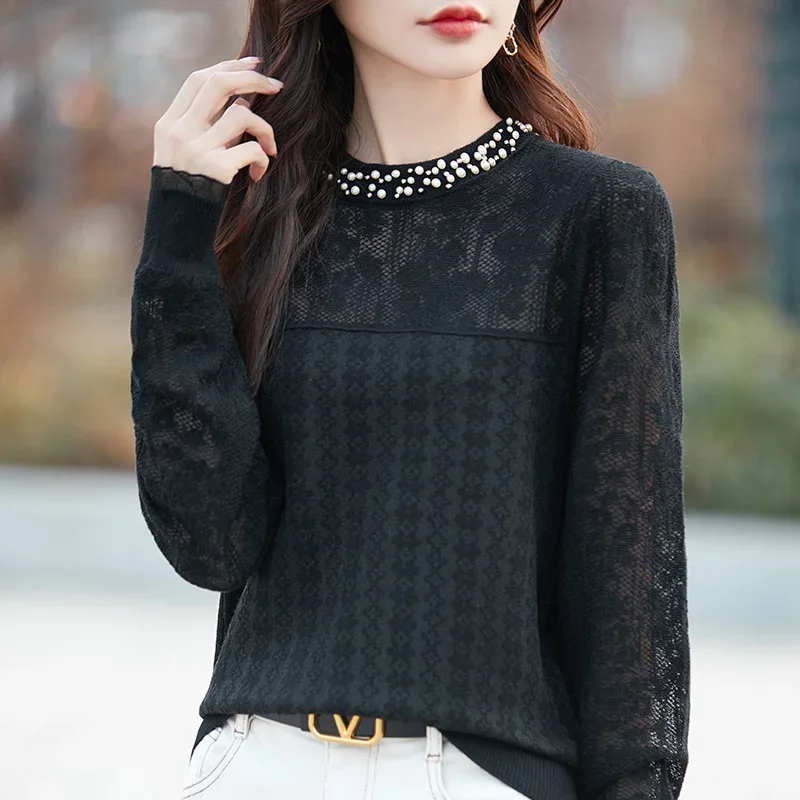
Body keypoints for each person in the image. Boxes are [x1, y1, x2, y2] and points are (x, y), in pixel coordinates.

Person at [129, 1, 691, 798]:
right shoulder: (260, 211)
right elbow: (212, 544)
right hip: (258, 760)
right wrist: (180, 221)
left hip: (483, 772)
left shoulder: (599, 212)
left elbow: (629, 579)